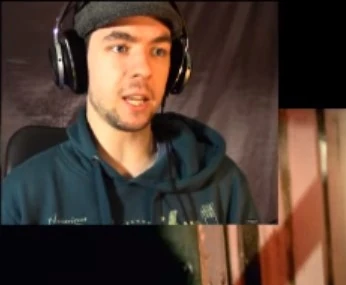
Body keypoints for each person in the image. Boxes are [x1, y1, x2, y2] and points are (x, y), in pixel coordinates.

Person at [0, 1, 260, 226]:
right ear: (77, 62)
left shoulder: (224, 184)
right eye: (120, 47)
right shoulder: (22, 196)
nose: (144, 69)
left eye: (158, 51)